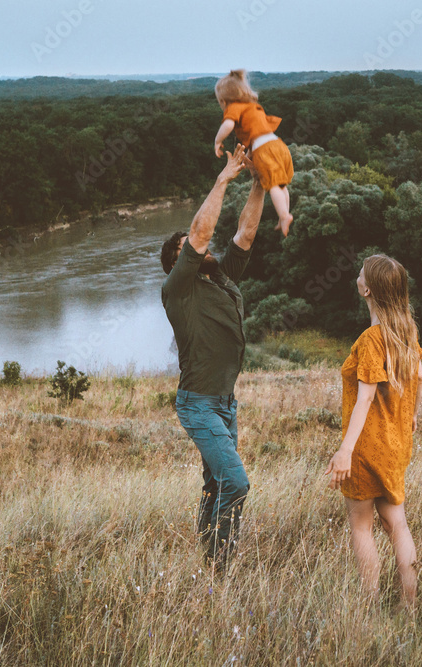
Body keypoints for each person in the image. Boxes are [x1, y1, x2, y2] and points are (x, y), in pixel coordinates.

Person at [160, 144, 265, 571]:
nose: (204, 249)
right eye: (192, 249)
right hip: (199, 403)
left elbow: (246, 234)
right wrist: (225, 177)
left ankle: (204, 556)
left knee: (214, 483)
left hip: (224, 403)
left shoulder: (220, 277)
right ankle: (221, 568)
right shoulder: (177, 290)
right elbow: (200, 234)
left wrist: (260, 182)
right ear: (179, 262)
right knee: (235, 483)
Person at [325, 254, 422, 612]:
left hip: (367, 447)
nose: (356, 275)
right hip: (396, 445)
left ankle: (367, 609)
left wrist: (345, 451)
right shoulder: (406, 332)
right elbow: (418, 379)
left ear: (367, 289)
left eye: (360, 273)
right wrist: (411, 415)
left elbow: (365, 397)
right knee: (397, 523)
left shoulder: (371, 339)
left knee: (361, 527)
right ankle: (408, 606)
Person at [213, 69, 295, 237]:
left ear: (223, 100)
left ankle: (285, 216)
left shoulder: (233, 107)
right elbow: (253, 141)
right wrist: (250, 160)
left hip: (266, 149)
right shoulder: (253, 107)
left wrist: (217, 141)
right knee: (281, 185)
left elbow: (228, 126)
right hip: (279, 145)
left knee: (272, 185)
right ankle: (284, 214)